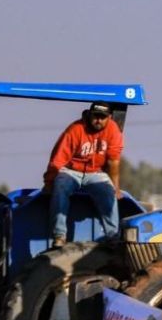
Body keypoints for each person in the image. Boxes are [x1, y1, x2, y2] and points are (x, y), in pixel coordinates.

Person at [44, 101, 123, 246]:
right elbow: (58, 159)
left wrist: (116, 188)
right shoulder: (75, 129)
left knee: (108, 192)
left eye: (102, 117)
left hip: (96, 172)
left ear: (109, 117)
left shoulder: (113, 130)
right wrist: (49, 183)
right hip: (71, 171)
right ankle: (59, 236)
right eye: (95, 116)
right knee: (60, 187)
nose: (98, 120)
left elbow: (113, 162)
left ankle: (113, 237)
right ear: (89, 114)